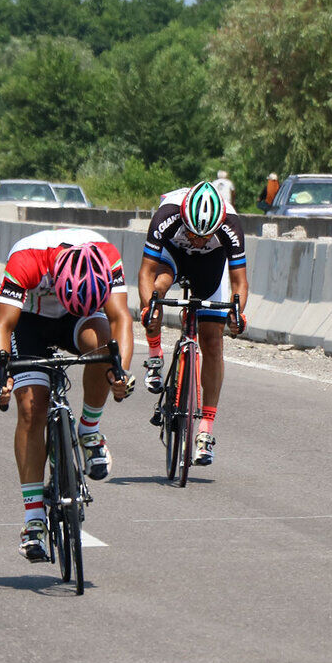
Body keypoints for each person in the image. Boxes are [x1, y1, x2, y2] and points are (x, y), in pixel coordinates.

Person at [0, 233, 134, 561]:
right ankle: (33, 518)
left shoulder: (106, 257)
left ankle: (89, 429)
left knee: (103, 349)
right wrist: (1, 379)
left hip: (79, 316)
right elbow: (2, 327)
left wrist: (119, 373)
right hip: (30, 321)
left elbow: (121, 319)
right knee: (30, 407)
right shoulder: (26, 260)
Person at [139, 180, 248, 467]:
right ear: (183, 217)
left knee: (213, 341)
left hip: (211, 265)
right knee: (157, 289)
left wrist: (237, 315)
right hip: (173, 257)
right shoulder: (167, 215)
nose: (198, 240)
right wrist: (148, 308)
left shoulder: (231, 223)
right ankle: (154, 355)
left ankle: (205, 432)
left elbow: (239, 281)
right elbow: (145, 271)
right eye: (192, 232)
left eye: (205, 235)